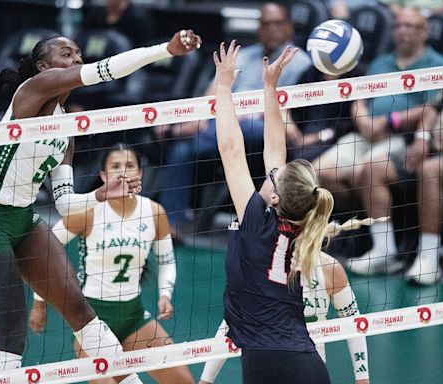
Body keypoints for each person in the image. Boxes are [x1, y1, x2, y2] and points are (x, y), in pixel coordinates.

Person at [0, 29, 201, 381]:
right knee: (12, 339)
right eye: (66, 54)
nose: (76, 59)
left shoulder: (66, 132)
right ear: (43, 67)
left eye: (78, 54)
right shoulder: (33, 91)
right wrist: (165, 49)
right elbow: (109, 69)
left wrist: (100, 195)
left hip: (24, 221)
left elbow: (68, 206)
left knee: (83, 315)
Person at [212, 39, 332, 383]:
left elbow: (231, 149)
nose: (271, 172)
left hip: (268, 361)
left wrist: (223, 84)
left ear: (276, 199)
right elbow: (275, 150)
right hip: (304, 358)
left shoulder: (255, 223)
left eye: (274, 178)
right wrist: (270, 87)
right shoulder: (302, 224)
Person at [29, 144, 194, 384]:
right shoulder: (88, 211)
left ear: (140, 173)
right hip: (91, 323)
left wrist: (165, 294)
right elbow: (45, 251)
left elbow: (167, 261)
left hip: (134, 318)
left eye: (130, 166)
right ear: (103, 176)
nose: (123, 172)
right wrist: (39, 303)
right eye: (115, 166)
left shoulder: (154, 212)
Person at [158, 3, 312, 236]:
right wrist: (197, 117)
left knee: (238, 128)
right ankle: (172, 224)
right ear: (258, 28)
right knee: (182, 151)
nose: (271, 29)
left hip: (263, 126)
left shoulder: (300, 62)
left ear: (289, 27)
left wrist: (223, 117)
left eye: (277, 23)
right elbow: (212, 91)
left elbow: (285, 108)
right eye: (265, 24)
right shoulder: (243, 55)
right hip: (223, 119)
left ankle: (190, 131)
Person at [350, 21, 443, 283]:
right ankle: (384, 250)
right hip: (437, 145)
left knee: (430, 171)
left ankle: (428, 259)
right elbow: (433, 107)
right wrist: (421, 138)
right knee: (374, 168)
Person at [314, 7, 443, 227]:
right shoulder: (380, 63)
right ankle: (357, 226)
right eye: (398, 26)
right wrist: (364, 121)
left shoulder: (437, 64)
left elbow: (431, 107)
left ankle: (381, 245)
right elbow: (358, 100)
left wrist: (388, 121)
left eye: (410, 26)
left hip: (399, 136)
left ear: (424, 32)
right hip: (364, 134)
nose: (403, 31)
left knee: (364, 172)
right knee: (318, 173)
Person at [199, 251, 370, 384]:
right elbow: (231, 325)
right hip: (266, 370)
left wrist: (362, 377)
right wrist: (205, 380)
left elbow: (354, 323)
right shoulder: (261, 268)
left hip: (308, 371)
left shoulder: (329, 268)